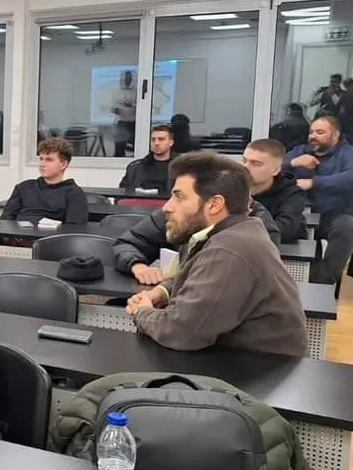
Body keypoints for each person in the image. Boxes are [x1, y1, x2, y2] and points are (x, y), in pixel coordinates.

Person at [125, 153, 307, 357]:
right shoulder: (235, 232)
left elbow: (180, 332)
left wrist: (142, 311)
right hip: (240, 360)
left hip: (255, 371)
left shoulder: (230, 249)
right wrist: (162, 292)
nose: (167, 207)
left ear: (214, 205)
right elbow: (202, 276)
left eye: (179, 197)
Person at [284, 115, 353, 285]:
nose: (313, 136)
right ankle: (298, 281)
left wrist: (314, 182)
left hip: (335, 215)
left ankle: (322, 283)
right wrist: (293, 163)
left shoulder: (350, 153)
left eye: (320, 132)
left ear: (335, 135)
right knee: (284, 225)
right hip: (303, 215)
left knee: (346, 228)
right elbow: (272, 169)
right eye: (311, 132)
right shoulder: (299, 151)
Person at [112, 201, 281, 283]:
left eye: (180, 196)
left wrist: (145, 309)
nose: (167, 206)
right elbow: (129, 243)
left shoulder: (259, 232)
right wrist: (137, 265)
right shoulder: (177, 214)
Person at [0, 137, 88, 224]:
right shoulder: (23, 187)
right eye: (41, 159)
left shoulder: (74, 194)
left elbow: (74, 228)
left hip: (52, 233)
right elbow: (5, 220)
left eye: (49, 160)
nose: (42, 164)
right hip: (18, 232)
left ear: (64, 164)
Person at [241, 139, 306, 243]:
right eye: (244, 161)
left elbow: (285, 229)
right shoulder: (231, 186)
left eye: (255, 163)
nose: (245, 167)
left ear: (275, 170)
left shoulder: (292, 194)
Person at [119, 124, 175, 192]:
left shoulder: (181, 168)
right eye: (153, 140)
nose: (156, 143)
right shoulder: (136, 167)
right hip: (139, 198)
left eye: (161, 139)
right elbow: (122, 192)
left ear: (171, 142)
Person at [112, 70, 137, 157]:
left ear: (132, 79)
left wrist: (131, 105)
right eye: (125, 78)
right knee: (119, 147)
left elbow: (143, 107)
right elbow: (113, 106)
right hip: (122, 122)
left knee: (136, 148)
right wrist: (115, 110)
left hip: (134, 123)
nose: (127, 80)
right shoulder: (117, 91)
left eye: (129, 78)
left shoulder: (137, 91)